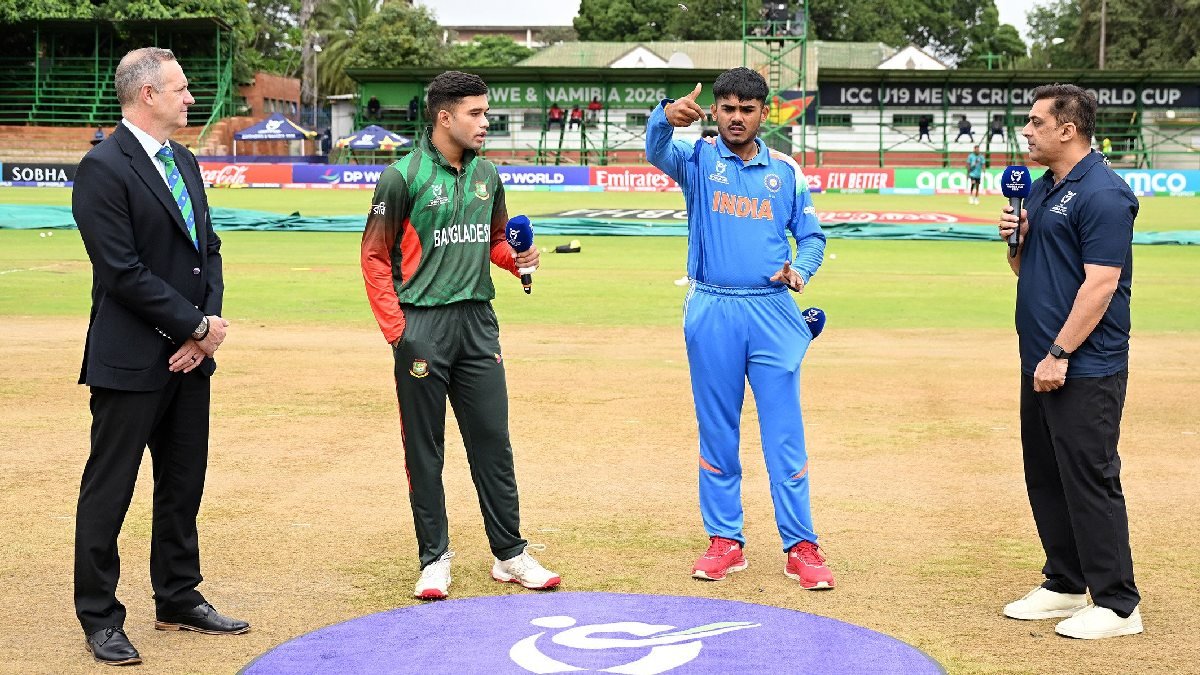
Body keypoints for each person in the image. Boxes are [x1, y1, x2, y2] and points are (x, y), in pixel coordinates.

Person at [71, 47, 247, 667]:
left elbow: (208, 250)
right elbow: (122, 271)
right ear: (148, 94)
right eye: (181, 89)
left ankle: (177, 595)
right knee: (109, 490)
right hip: (129, 360)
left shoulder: (185, 161)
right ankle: (99, 616)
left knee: (182, 485)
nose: (191, 98)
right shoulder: (102, 167)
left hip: (190, 359)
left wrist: (204, 333)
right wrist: (194, 325)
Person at [361, 70, 560, 601]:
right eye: (476, 113)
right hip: (421, 327)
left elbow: (493, 242)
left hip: (478, 325)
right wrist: (398, 331)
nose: (485, 122)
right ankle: (434, 559)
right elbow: (374, 256)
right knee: (425, 449)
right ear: (445, 117)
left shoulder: (488, 175)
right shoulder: (401, 177)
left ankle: (510, 553)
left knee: (493, 442)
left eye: (486, 113)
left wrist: (519, 259)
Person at [645, 68, 833, 589]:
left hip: (772, 309)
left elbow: (812, 237)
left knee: (784, 434)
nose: (735, 118)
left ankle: (801, 545)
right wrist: (665, 117)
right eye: (726, 108)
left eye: (746, 109)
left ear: (763, 114)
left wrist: (801, 271)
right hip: (712, 307)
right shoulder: (699, 159)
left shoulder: (786, 170)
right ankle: (725, 540)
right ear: (716, 111)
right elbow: (656, 150)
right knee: (717, 430)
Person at [998, 83, 1143, 640]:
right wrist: (1016, 240)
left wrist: (1060, 353)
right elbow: (1025, 270)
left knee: (1090, 479)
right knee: (1046, 475)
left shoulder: (1103, 193)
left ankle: (1118, 603)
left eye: (1036, 122)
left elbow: (1101, 284)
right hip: (1038, 361)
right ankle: (1064, 581)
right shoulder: (1040, 189)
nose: (1026, 131)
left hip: (1084, 365)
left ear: (1067, 129)